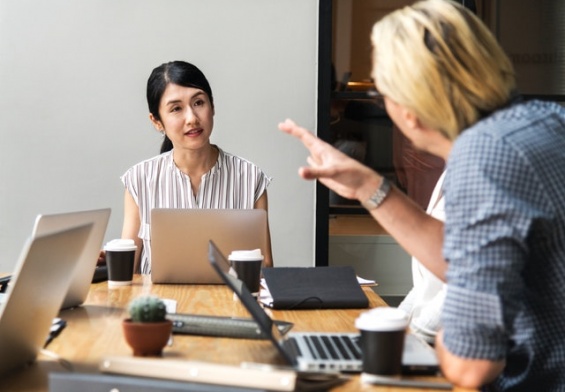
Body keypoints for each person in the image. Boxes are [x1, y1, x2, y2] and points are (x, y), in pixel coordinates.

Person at [279, 0, 565, 390]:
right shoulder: (545, 120)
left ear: (409, 109)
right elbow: (467, 259)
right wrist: (367, 187)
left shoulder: (483, 156)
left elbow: (470, 366)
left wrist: (442, 337)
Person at [121, 61, 273, 274]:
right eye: (176, 109)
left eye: (199, 103)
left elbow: (264, 268)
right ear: (157, 121)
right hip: (161, 305)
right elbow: (126, 271)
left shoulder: (250, 177)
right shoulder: (139, 179)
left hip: (230, 305)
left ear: (213, 106)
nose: (192, 118)